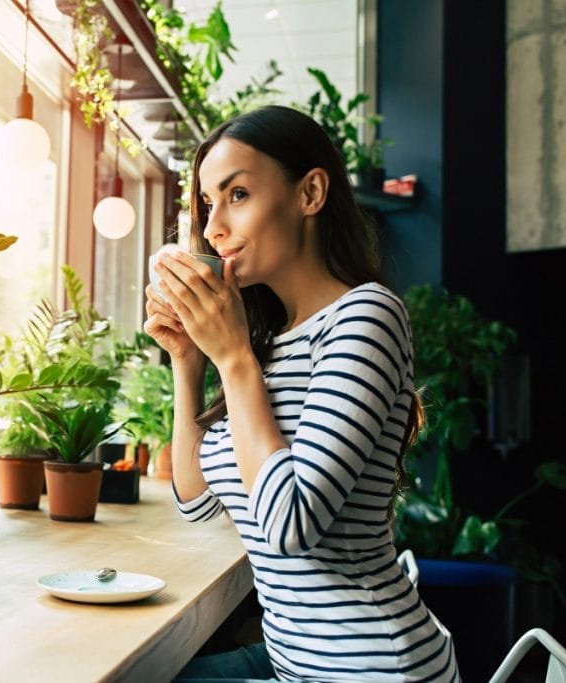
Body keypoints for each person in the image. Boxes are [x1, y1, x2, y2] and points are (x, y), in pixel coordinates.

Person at [144, 105, 460, 682]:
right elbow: (197, 501)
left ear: (310, 192)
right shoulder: (269, 345)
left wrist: (234, 359)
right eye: (208, 204)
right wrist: (188, 360)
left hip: (370, 669)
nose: (214, 226)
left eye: (237, 194)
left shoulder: (365, 317)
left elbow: (290, 527)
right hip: (296, 663)